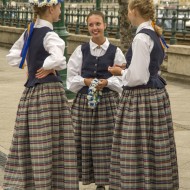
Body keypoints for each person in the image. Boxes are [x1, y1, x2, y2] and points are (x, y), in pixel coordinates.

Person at [3, 0, 79, 189]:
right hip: (49, 94)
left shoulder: (30, 31)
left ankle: (33, 182)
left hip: (30, 93)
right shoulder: (50, 34)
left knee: (34, 140)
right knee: (53, 141)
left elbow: (13, 56)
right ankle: (53, 183)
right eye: (59, 7)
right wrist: (46, 66)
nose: (60, 11)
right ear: (51, 8)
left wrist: (31, 65)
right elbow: (59, 59)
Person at [108, 0, 179, 189]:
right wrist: (129, 67)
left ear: (133, 11)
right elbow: (149, 68)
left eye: (128, 11)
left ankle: (138, 183)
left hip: (141, 98)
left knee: (136, 147)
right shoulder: (153, 33)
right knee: (155, 145)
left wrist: (120, 72)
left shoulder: (141, 38)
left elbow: (137, 77)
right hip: (155, 95)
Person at [66, 11, 126, 190]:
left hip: (108, 103)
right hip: (84, 103)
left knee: (108, 144)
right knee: (84, 142)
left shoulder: (116, 51)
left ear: (105, 25)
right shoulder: (81, 50)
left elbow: (124, 79)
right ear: (87, 27)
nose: (95, 28)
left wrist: (107, 82)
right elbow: (71, 78)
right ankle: (92, 180)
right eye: (91, 25)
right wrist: (85, 81)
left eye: (98, 24)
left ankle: (107, 181)